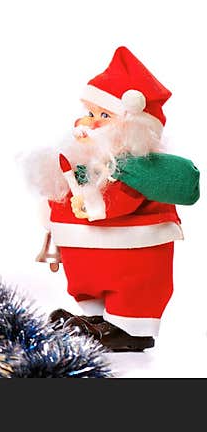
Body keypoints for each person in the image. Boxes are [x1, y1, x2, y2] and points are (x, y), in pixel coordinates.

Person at [24, 46, 199, 351]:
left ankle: (129, 327)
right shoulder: (89, 160)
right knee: (90, 280)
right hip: (87, 249)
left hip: (132, 249)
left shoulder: (135, 170)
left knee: (132, 284)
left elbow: (121, 200)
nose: (89, 123)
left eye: (104, 115)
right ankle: (96, 318)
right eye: (89, 113)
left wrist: (91, 205)